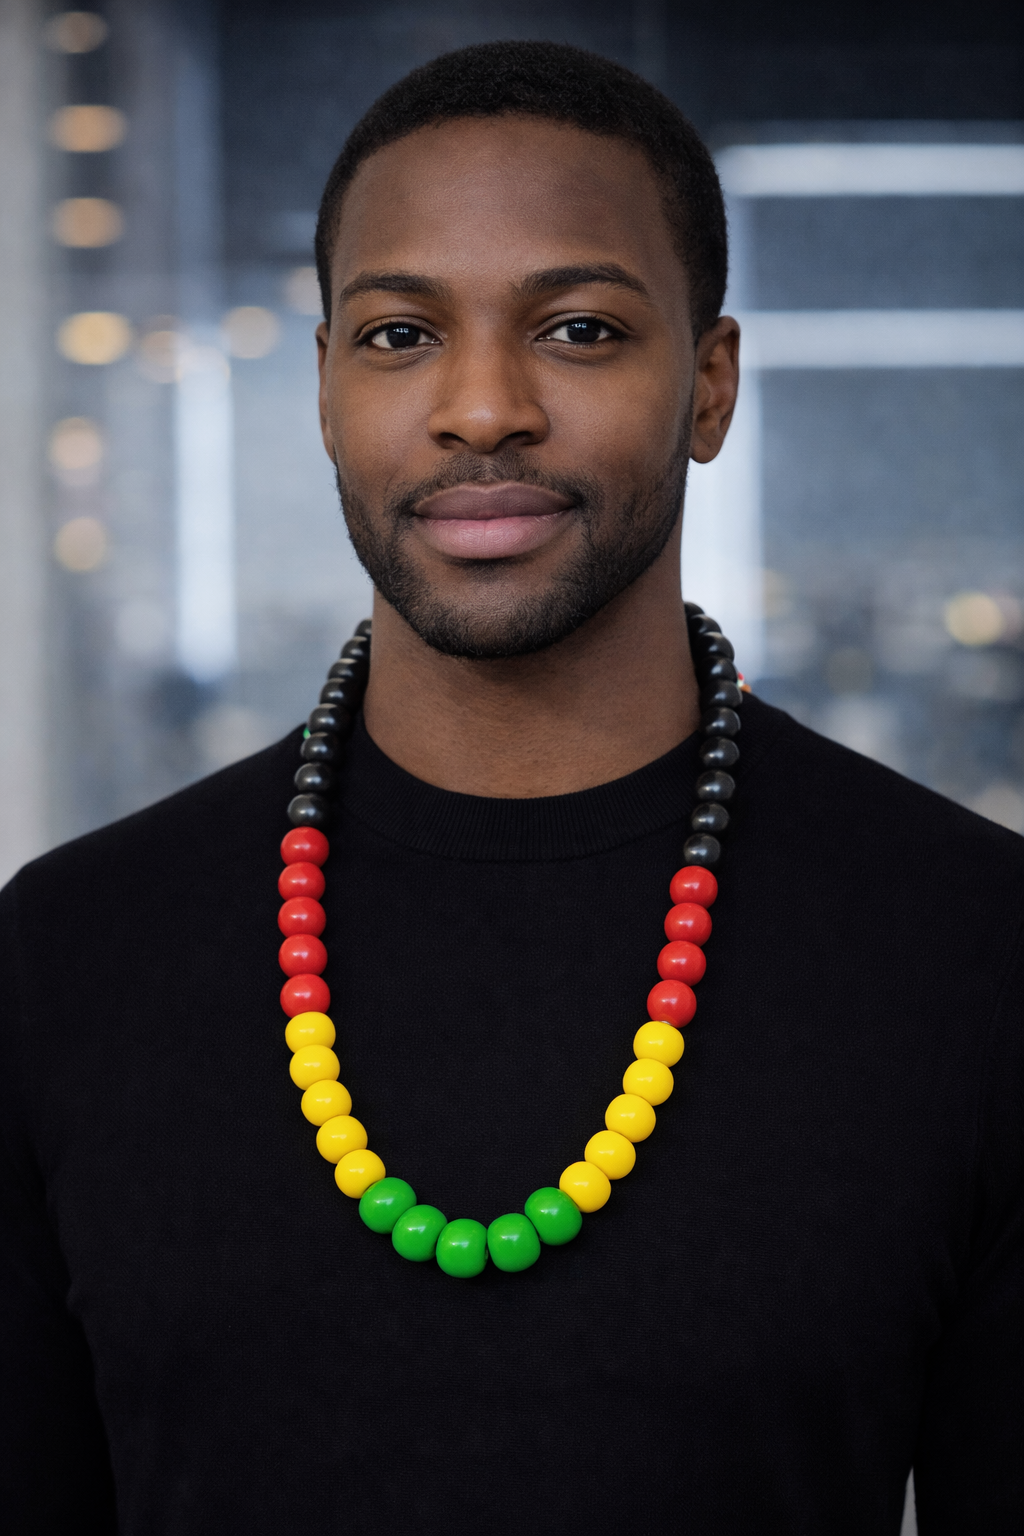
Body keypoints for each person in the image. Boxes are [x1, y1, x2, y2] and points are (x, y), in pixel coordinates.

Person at [1, 39, 1020, 1536]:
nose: (482, 408)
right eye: (401, 334)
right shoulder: (67, 953)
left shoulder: (974, 947)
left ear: (710, 386)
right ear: (326, 388)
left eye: (581, 329)